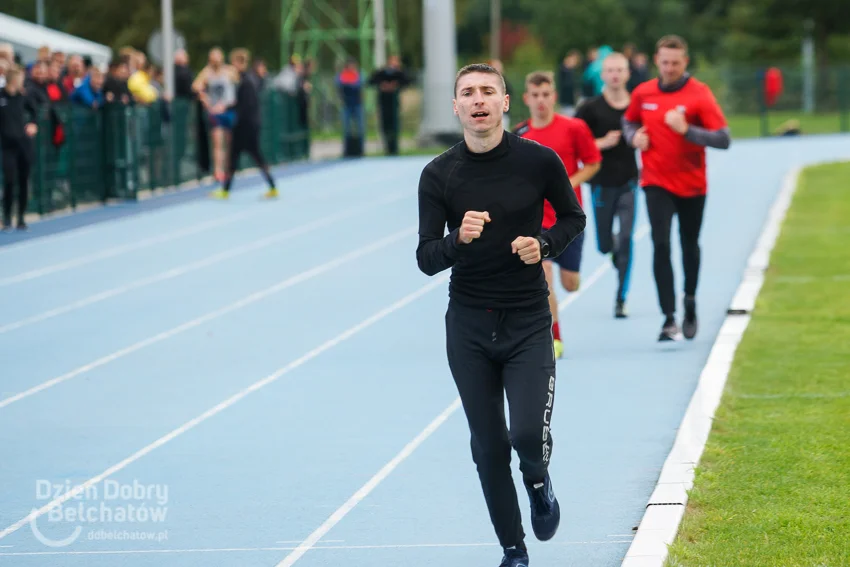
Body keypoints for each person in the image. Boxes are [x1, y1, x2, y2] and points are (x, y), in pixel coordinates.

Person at [416, 63, 586, 567]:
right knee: (488, 446)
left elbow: (574, 216)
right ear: (456, 108)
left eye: (488, 91)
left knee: (526, 436)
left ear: (505, 102)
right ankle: (514, 549)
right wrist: (456, 239)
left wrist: (545, 243)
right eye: (467, 93)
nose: (478, 100)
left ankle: (538, 480)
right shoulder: (439, 174)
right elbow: (426, 258)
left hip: (528, 318)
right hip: (468, 324)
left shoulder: (539, 161)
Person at [622, 35, 731, 341]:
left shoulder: (700, 94)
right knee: (660, 244)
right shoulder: (643, 93)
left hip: (692, 184)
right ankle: (668, 318)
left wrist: (688, 131)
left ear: (685, 62)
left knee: (689, 244)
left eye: (676, 62)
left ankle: (690, 300)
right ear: (657, 60)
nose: (669, 68)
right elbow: (628, 122)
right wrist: (633, 138)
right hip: (655, 181)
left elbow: (724, 138)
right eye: (665, 62)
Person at [513, 70, 601, 359]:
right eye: (535, 95)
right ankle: (555, 338)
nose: (541, 101)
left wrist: (567, 185)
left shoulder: (574, 128)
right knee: (544, 273)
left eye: (545, 95)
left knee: (570, 284)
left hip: (569, 218)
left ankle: (571, 275)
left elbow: (592, 163)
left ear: (554, 96)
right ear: (526, 99)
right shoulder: (519, 135)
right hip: (537, 222)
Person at [574, 52, 640, 318]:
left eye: (619, 70)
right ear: (602, 75)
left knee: (626, 239)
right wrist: (602, 143)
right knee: (605, 244)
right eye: (610, 70)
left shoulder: (636, 105)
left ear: (627, 74)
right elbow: (577, 145)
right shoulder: (590, 109)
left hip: (629, 182)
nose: (614, 75)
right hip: (601, 184)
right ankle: (613, 253)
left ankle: (621, 298)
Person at [209, 49, 277, 200]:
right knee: (238, 158)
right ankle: (227, 189)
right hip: (247, 125)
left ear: (239, 63)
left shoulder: (246, 82)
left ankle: (271, 186)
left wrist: (226, 109)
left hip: (246, 127)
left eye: (233, 63)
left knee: (250, 157)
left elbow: (244, 106)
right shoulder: (245, 80)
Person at [0, 66, 37, 231]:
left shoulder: (23, 96)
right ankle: (7, 216)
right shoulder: (1, 96)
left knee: (24, 180)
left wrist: (33, 124)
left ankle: (21, 217)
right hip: (7, 146)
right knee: (9, 180)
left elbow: (35, 111)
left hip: (23, 144)